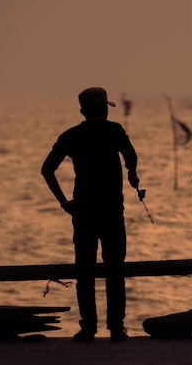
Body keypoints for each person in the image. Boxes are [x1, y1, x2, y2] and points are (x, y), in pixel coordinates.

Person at [41, 87, 139, 342]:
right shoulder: (115, 131)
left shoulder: (71, 136)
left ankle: (88, 328)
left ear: (83, 111)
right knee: (115, 272)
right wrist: (131, 173)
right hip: (112, 212)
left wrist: (64, 202)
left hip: (83, 213)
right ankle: (117, 328)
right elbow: (131, 155)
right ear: (105, 109)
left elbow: (47, 169)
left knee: (84, 273)